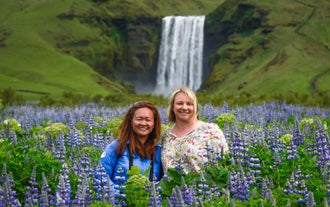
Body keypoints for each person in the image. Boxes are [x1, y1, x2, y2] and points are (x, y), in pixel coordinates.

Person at [161, 86, 229, 174]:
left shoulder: (211, 130)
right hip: (171, 187)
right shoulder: (166, 136)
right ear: (172, 107)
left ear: (195, 107)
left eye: (189, 104)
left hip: (203, 186)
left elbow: (225, 164)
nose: (184, 107)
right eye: (179, 103)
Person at [100, 101, 163, 191]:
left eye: (148, 120)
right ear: (131, 121)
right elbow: (101, 178)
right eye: (139, 119)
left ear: (154, 124)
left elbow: (163, 182)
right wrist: (122, 196)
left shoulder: (158, 151)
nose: (143, 123)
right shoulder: (116, 147)